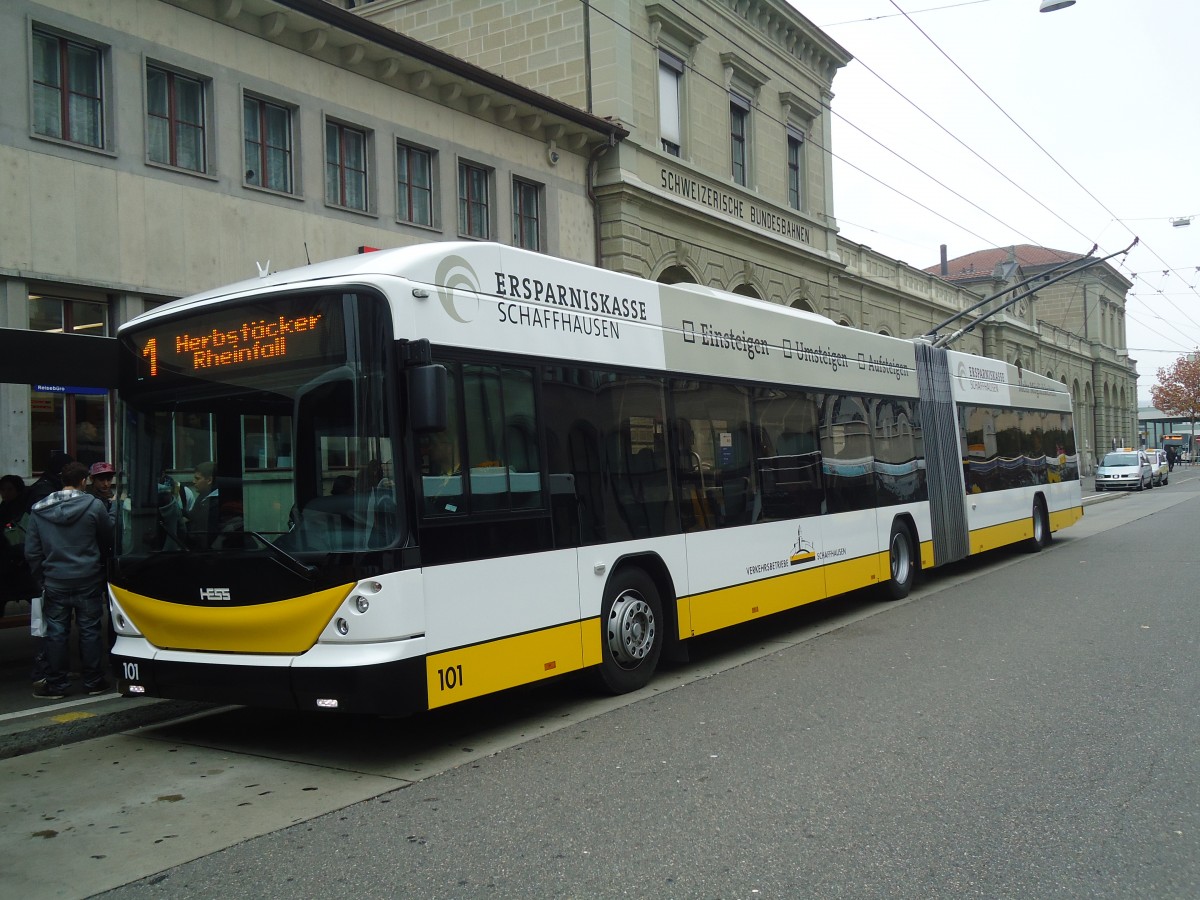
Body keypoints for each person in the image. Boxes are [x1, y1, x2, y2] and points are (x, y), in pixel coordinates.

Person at [24, 461, 113, 699]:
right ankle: (94, 681)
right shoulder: (94, 506)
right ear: (84, 481)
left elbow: (32, 551)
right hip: (88, 578)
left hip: (55, 580)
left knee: (56, 632)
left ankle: (56, 685)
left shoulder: (39, 510)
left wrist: (42, 577)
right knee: (90, 630)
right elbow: (107, 539)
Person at [1, 474, 38, 616]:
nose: (5, 494)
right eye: (3, 490)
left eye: (9, 489)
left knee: (33, 596)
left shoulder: (26, 509)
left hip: (23, 562)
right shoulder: (3, 509)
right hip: (8, 563)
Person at [186, 461, 220, 547]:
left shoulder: (215, 504)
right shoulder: (203, 496)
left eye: (197, 478)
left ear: (209, 480)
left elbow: (202, 535)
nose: (193, 481)